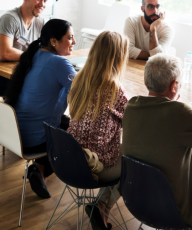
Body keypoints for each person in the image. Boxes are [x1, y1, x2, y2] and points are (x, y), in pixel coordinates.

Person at [122, 54, 192, 229]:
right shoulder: (180, 113)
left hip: (134, 201)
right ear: (174, 86)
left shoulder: (131, 106)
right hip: (171, 210)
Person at [3, 19, 76, 198]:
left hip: (14, 133)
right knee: (78, 133)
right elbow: (82, 92)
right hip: (35, 141)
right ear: (53, 41)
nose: (73, 42)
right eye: (70, 37)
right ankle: (39, 168)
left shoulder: (32, 55)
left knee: (65, 123)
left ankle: (39, 170)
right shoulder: (60, 63)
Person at [67, 31, 129, 230]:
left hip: (70, 158)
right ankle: (102, 206)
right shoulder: (114, 89)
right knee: (137, 160)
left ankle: (100, 208)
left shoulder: (79, 80)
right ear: (118, 58)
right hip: (95, 167)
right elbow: (133, 123)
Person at [0, 0, 46, 95]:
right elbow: (5, 53)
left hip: (24, 71)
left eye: (45, 1)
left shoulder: (41, 22)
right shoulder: (10, 18)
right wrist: (34, 55)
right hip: (4, 75)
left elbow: (45, 51)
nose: (42, 4)